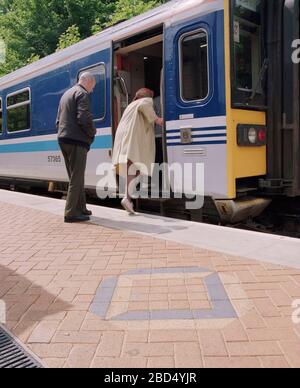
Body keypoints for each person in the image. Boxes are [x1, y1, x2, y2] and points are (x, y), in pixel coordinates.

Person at [112, 88, 164, 214]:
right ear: (148, 96)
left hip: (124, 138)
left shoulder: (131, 105)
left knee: (134, 168)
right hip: (132, 138)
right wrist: (157, 119)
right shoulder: (145, 101)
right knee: (136, 168)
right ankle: (127, 197)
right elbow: (144, 105)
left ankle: (128, 197)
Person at [56, 72, 96, 223]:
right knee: (77, 177)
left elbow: (58, 120)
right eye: (92, 87)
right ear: (88, 82)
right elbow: (84, 118)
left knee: (75, 176)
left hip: (63, 138)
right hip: (76, 140)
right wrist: (92, 133)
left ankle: (81, 207)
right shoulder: (82, 93)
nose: (91, 90)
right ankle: (71, 213)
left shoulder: (66, 94)